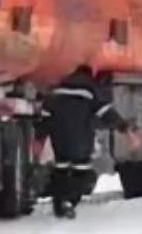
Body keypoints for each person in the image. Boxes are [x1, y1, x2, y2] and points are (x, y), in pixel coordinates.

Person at [42, 64, 130, 219]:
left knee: (61, 167)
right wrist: (125, 129)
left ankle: (59, 204)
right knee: (80, 169)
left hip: (59, 135)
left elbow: (46, 113)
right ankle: (69, 201)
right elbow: (105, 112)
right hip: (80, 136)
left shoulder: (59, 87)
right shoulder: (90, 90)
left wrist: (39, 136)